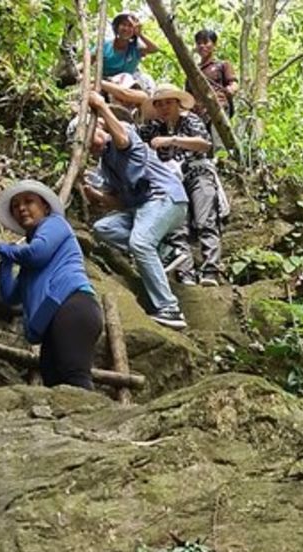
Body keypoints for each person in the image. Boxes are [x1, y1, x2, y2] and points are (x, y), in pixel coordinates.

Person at [83, 90, 189, 330]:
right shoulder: (106, 166)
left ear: (100, 128)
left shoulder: (123, 135)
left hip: (165, 198)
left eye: (90, 137)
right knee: (103, 228)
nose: (90, 145)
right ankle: (166, 252)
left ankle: (169, 308)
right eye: (84, 144)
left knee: (140, 242)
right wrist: (97, 196)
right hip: (143, 207)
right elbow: (121, 203)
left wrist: (101, 105)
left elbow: (121, 139)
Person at [0, 179, 103, 389]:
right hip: (52, 317)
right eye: (15, 206)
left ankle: (91, 420)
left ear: (45, 206)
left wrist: (9, 251)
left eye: (28, 201)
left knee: (74, 375)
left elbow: (38, 253)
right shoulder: (27, 255)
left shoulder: (55, 224)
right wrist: (5, 263)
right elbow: (10, 296)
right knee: (53, 380)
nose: (21, 208)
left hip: (73, 306)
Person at [138, 84, 225, 288]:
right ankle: (185, 272)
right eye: (160, 104)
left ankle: (211, 269)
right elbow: (132, 140)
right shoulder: (153, 128)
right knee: (177, 226)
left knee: (206, 220)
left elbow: (204, 144)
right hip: (170, 182)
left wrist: (173, 140)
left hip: (197, 173)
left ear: (178, 104)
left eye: (169, 102)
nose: (164, 108)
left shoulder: (191, 120)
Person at [92, 11, 158, 111]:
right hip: (109, 84)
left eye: (130, 26)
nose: (126, 28)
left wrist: (140, 34)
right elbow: (87, 62)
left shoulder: (135, 48)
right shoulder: (104, 46)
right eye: (123, 24)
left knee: (146, 80)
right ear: (117, 27)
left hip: (130, 87)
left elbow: (154, 49)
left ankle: (144, 111)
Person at [188, 29, 238, 120]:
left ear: (214, 45)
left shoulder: (222, 65)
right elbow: (188, 94)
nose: (202, 46)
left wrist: (230, 90)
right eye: (199, 43)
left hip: (218, 109)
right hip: (198, 115)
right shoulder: (193, 71)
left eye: (206, 42)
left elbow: (233, 83)